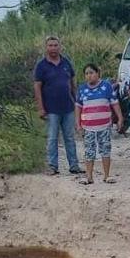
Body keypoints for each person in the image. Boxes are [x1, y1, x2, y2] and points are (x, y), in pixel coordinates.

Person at [33, 35, 83, 176]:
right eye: (50, 45)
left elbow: (72, 84)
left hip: (68, 107)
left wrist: (77, 103)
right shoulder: (41, 66)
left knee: (70, 138)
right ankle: (52, 166)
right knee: (52, 138)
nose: (53, 48)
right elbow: (37, 87)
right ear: (46, 47)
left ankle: (74, 166)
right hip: (51, 109)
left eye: (55, 45)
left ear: (60, 47)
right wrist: (41, 108)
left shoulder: (66, 63)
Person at [75, 64, 121, 184]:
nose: (89, 76)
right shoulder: (82, 89)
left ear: (97, 73)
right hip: (87, 127)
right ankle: (89, 177)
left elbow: (114, 103)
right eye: (86, 73)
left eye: (91, 73)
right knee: (89, 151)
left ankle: (107, 175)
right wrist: (78, 124)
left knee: (105, 150)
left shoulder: (106, 86)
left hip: (104, 126)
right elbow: (78, 107)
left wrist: (120, 118)